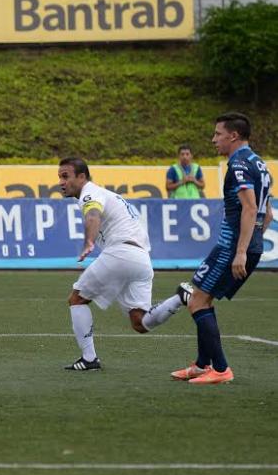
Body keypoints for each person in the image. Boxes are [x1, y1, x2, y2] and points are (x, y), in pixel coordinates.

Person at [57, 157, 189, 371]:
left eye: (65, 176)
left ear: (81, 177)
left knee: (77, 299)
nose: (61, 182)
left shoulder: (90, 192)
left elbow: (93, 215)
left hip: (120, 253)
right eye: (60, 177)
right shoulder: (109, 195)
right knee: (140, 322)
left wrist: (89, 241)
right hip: (141, 259)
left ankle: (89, 359)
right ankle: (180, 297)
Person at [170, 113, 272, 385]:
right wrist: (252, 243)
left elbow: (250, 208)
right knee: (201, 298)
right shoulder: (259, 164)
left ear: (233, 135)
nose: (213, 139)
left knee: (197, 301)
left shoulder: (238, 164)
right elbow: (268, 213)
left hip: (232, 246)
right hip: (244, 244)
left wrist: (241, 251)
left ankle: (221, 369)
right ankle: (202, 365)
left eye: (218, 134)